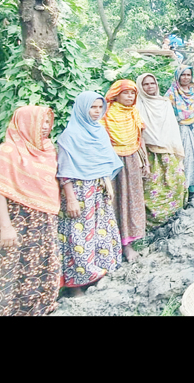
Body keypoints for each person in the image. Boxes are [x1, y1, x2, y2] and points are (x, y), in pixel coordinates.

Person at [0, 106, 62, 316]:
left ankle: (37, 309)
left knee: (40, 266)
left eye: (48, 122)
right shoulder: (8, 151)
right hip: (17, 221)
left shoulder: (47, 150)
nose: (45, 127)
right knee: (9, 267)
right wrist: (5, 227)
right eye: (40, 122)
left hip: (42, 222)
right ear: (24, 123)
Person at [56, 92, 124, 297]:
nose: (96, 112)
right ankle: (75, 286)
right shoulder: (70, 136)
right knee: (76, 237)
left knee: (99, 232)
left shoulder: (99, 132)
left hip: (97, 191)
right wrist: (70, 199)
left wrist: (107, 184)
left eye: (98, 107)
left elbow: (103, 161)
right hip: (78, 192)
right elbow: (64, 171)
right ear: (81, 108)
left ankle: (97, 275)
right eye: (91, 107)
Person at [101, 79, 148, 263]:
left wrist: (144, 160)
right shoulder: (106, 115)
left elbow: (139, 138)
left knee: (132, 199)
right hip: (112, 162)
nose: (130, 97)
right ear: (116, 95)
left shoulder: (134, 113)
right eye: (126, 93)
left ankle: (130, 241)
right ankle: (117, 245)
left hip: (133, 159)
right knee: (116, 201)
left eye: (132, 93)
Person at [137, 73, 188, 226]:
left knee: (176, 179)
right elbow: (140, 130)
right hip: (148, 151)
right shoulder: (137, 104)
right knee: (152, 185)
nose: (150, 87)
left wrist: (172, 146)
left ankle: (174, 215)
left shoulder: (165, 103)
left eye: (152, 83)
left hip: (167, 149)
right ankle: (153, 222)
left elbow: (171, 127)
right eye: (145, 84)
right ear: (140, 86)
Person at [166, 65, 194, 195]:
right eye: (183, 75)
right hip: (179, 129)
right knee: (184, 157)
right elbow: (167, 114)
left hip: (193, 128)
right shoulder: (172, 93)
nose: (186, 78)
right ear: (178, 76)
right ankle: (184, 188)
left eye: (188, 75)